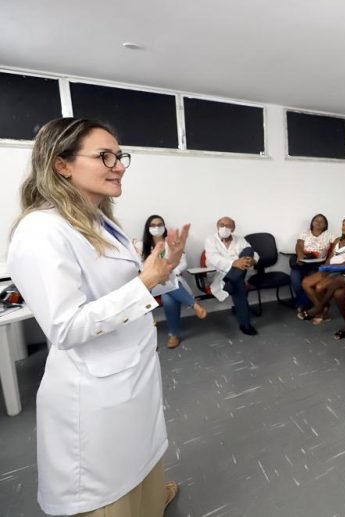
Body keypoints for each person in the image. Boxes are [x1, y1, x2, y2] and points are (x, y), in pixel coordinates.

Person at [7, 118, 180, 516]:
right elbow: (65, 327)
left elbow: (119, 288)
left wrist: (157, 275)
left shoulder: (101, 221)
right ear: (62, 165)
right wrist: (144, 282)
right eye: (104, 156)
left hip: (130, 369)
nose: (118, 165)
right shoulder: (41, 230)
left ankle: (151, 500)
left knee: (141, 458)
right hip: (94, 388)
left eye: (119, 156)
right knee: (106, 487)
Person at [136, 214, 207, 348]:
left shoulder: (172, 242)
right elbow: (140, 266)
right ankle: (194, 305)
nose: (156, 228)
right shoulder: (141, 246)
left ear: (164, 227)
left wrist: (169, 272)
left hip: (171, 280)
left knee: (168, 297)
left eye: (159, 225)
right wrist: (158, 274)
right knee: (167, 286)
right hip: (151, 283)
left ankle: (174, 335)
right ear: (147, 228)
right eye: (153, 225)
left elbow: (183, 263)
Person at [204, 216, 259, 335]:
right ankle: (245, 324)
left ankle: (231, 279)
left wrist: (253, 261)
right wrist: (233, 263)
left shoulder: (240, 239)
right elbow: (213, 259)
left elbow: (254, 254)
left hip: (237, 274)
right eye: (222, 225)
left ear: (233, 229)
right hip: (219, 275)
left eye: (228, 226)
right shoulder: (210, 240)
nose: (224, 228)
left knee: (249, 250)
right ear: (217, 227)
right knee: (239, 283)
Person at [300, 218, 345, 324]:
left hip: (341, 271)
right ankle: (322, 307)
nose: (343, 227)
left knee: (319, 287)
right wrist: (325, 266)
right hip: (329, 269)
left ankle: (320, 311)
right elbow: (331, 257)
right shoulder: (338, 240)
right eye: (342, 224)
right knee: (305, 283)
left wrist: (333, 267)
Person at [292, 213, 337, 317]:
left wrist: (330, 258)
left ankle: (302, 305)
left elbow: (338, 245)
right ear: (312, 222)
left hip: (319, 263)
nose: (318, 223)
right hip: (303, 261)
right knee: (295, 279)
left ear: (325, 225)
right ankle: (307, 303)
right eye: (316, 220)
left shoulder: (329, 235)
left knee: (310, 282)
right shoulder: (305, 233)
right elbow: (299, 245)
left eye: (322, 221)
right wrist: (300, 255)